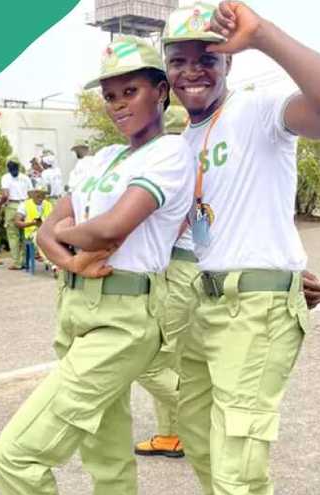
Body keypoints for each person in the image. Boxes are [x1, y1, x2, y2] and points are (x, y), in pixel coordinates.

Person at [0, 35, 193, 495]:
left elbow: (110, 227)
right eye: (110, 96)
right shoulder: (102, 160)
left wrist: (66, 242)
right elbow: (49, 229)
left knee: (18, 456)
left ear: (160, 91)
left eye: (131, 90)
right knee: (106, 452)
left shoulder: (170, 153)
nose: (120, 104)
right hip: (78, 309)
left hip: (125, 318)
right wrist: (71, 257)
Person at [159, 3, 320, 495]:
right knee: (199, 438)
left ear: (227, 62)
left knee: (239, 461)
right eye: (179, 61)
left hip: (254, 307)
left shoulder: (258, 110)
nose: (193, 70)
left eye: (206, 57)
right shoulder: (177, 144)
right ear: (166, 72)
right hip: (202, 298)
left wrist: (263, 35)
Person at [133, 104, 195, 460]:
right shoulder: (199, 162)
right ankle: (170, 434)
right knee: (175, 359)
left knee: (150, 360)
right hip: (191, 267)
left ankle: (203, 423)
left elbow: (179, 223)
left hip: (176, 268)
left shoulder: (174, 164)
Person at [0, 156, 32, 270]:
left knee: (13, 235)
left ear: (8, 166)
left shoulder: (5, 177)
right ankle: (25, 261)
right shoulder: (26, 177)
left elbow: (5, 195)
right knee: (24, 235)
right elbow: (31, 194)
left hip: (12, 206)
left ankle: (17, 263)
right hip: (25, 206)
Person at [13, 180, 54, 269]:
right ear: (33, 194)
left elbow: (54, 220)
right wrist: (32, 223)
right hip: (32, 232)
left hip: (48, 231)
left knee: (60, 238)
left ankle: (58, 263)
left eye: (43, 193)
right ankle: (52, 264)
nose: (40, 195)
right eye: (37, 193)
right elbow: (17, 222)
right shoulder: (24, 204)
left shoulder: (48, 204)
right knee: (39, 238)